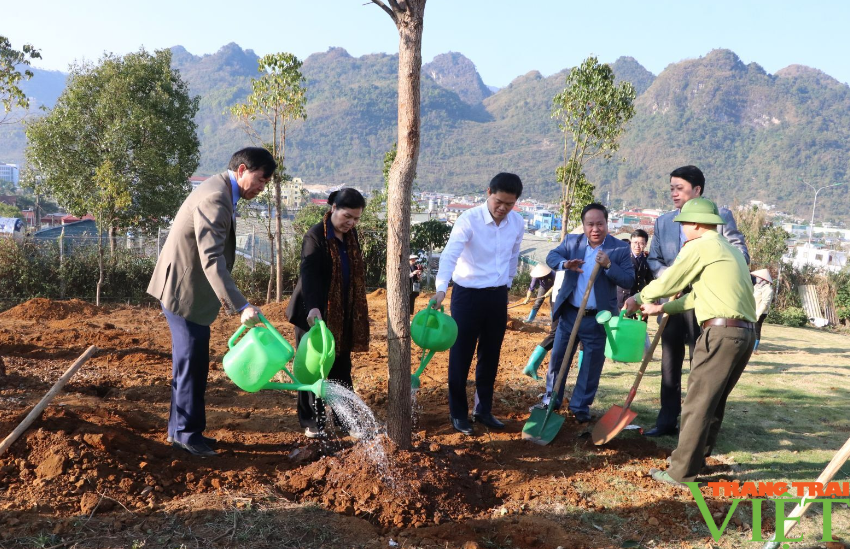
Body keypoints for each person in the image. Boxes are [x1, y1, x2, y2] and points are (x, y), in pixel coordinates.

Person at [147, 147, 274, 457]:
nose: (262, 187)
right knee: (191, 364)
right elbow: (212, 258)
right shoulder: (216, 197)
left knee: (190, 363)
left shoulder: (221, 190)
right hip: (183, 292)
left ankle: (182, 431)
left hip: (187, 289)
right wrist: (242, 306)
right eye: (260, 179)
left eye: (267, 183)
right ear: (242, 170)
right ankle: (187, 435)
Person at [625, 198, 756, 487]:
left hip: (720, 333)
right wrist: (663, 309)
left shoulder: (700, 246)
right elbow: (698, 296)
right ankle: (696, 460)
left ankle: (680, 472)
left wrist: (638, 298)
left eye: (684, 223)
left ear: (696, 223)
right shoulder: (728, 250)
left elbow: (669, 281)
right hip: (744, 334)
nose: (682, 228)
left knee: (698, 402)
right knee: (714, 401)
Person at [644, 165, 749, 438]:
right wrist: (672, 277)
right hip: (671, 302)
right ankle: (666, 421)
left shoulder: (720, 216)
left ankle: (692, 427)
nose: (674, 194)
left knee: (700, 366)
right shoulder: (664, 221)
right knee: (669, 364)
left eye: (679, 188)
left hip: (707, 303)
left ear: (697, 190)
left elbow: (739, 252)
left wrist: (702, 271)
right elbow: (653, 259)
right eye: (671, 189)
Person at [433, 173, 525, 435]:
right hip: (467, 295)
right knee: (461, 355)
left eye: (509, 203)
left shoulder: (516, 223)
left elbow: (513, 255)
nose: (503, 208)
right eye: (499, 201)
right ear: (488, 193)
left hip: (497, 296)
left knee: (491, 355)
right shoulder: (469, 220)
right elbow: (450, 254)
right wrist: (441, 289)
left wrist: (507, 283)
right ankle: (458, 413)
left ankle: (483, 410)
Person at [532, 203, 635, 423]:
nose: (595, 229)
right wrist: (565, 263)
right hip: (570, 314)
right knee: (559, 359)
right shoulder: (572, 242)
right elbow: (552, 257)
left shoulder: (619, 249)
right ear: (584, 225)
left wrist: (608, 265)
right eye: (590, 224)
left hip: (598, 318)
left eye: (600, 224)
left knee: (590, 365)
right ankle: (552, 398)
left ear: (607, 224)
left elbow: (628, 279)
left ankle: (580, 407)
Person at [286, 188, 370, 438]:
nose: (351, 223)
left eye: (356, 218)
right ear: (332, 207)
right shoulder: (315, 235)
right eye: (347, 216)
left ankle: (346, 419)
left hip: (341, 312)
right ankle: (313, 421)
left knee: (341, 366)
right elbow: (309, 273)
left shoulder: (350, 236)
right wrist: (313, 307)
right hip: (312, 313)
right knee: (312, 368)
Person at [616, 229, 654, 310]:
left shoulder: (647, 258)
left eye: (641, 243)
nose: (637, 246)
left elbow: (649, 279)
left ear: (645, 244)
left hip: (640, 298)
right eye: (635, 242)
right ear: (631, 242)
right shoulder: (623, 257)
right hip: (624, 298)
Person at [751, 269, 773, 352]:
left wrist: (758, 314)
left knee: (756, 329)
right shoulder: (757, 287)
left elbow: (765, 303)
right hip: (753, 310)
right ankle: (751, 345)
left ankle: (754, 348)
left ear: (763, 279)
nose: (757, 279)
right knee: (751, 329)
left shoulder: (768, 289)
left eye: (758, 277)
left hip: (760, 312)